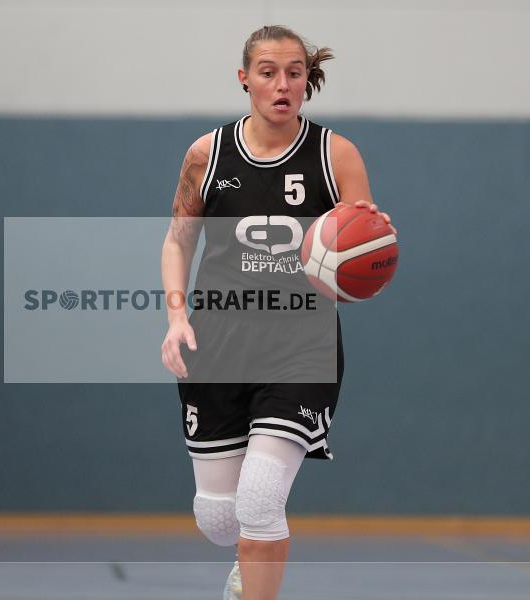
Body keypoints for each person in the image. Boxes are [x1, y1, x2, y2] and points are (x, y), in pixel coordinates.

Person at [160, 25, 395, 600]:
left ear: (307, 79)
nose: (282, 84)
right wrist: (177, 318)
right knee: (220, 520)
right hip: (218, 343)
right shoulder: (206, 155)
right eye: (268, 73)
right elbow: (177, 243)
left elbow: (366, 241)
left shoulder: (335, 154)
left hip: (301, 348)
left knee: (261, 501)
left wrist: (374, 244)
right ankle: (245, 563)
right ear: (245, 79)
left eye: (294, 73)